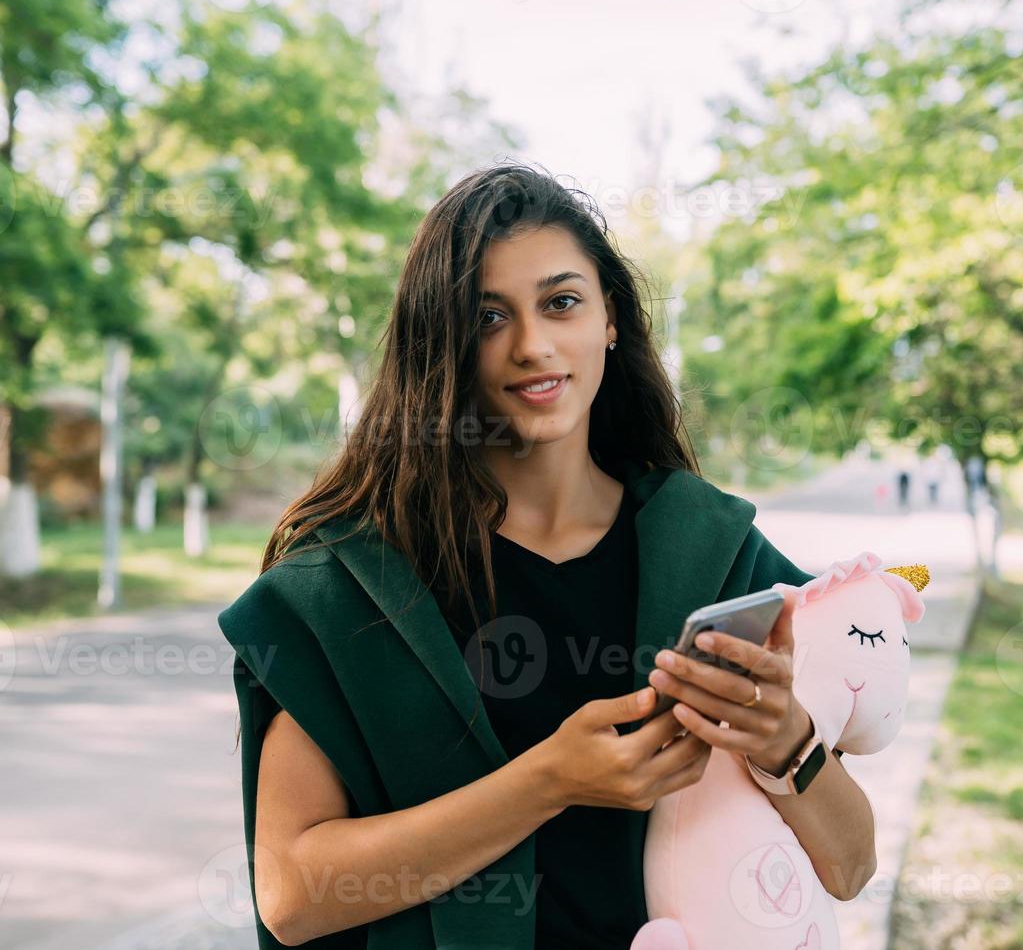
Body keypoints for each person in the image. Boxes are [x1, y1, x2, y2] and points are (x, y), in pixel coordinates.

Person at [217, 163, 878, 950]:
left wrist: (787, 743)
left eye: (561, 302)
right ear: (444, 345)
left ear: (609, 320)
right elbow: (290, 895)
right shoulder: (353, 583)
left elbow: (851, 867)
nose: (532, 345)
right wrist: (549, 781)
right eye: (489, 317)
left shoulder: (715, 552)